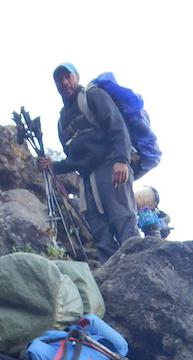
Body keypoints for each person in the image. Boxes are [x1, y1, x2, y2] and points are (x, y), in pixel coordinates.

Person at [36, 62, 138, 264]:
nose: (65, 82)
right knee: (100, 229)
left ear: (77, 77)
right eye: (59, 79)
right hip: (87, 179)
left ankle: (138, 265)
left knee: (123, 218)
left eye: (68, 76)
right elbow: (74, 159)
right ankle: (111, 275)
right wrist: (52, 166)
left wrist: (121, 160)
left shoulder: (93, 96)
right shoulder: (62, 119)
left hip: (111, 167)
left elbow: (117, 126)